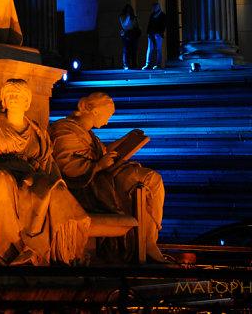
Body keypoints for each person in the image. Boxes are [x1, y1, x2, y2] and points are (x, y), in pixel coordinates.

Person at [0, 79, 90, 266]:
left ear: (27, 102)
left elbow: (49, 162)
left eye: (19, 95)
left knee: (54, 193)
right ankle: (4, 254)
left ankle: (52, 253)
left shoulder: (37, 130)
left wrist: (59, 185)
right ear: (4, 101)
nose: (14, 98)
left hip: (30, 177)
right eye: (10, 95)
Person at [49, 93, 166, 263]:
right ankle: (146, 243)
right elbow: (68, 167)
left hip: (100, 179)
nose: (107, 122)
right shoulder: (64, 129)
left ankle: (148, 241)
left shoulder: (87, 133)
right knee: (149, 179)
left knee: (149, 180)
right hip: (87, 186)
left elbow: (103, 152)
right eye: (108, 115)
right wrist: (98, 166)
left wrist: (128, 139)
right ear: (95, 111)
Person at [142, 3, 166, 70]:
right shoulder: (153, 15)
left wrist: (158, 33)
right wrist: (149, 33)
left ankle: (158, 64)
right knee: (150, 49)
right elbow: (149, 25)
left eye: (155, 7)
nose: (153, 8)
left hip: (158, 35)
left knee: (157, 49)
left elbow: (163, 26)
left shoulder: (162, 15)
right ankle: (148, 64)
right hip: (152, 34)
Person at [118, 4, 140, 70]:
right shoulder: (122, 17)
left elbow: (137, 25)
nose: (129, 11)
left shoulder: (134, 17)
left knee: (134, 50)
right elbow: (124, 25)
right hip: (126, 34)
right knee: (126, 50)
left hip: (133, 34)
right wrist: (128, 17)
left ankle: (134, 64)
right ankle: (126, 64)